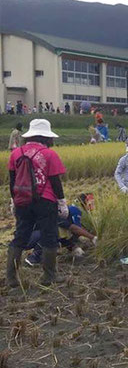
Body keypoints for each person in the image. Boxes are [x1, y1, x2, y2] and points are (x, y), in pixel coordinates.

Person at [6, 119, 68, 287]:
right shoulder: (50, 154)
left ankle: (11, 277)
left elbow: (12, 181)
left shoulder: (16, 153)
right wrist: (62, 203)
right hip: (45, 201)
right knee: (49, 237)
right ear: (45, 137)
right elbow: (55, 182)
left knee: (20, 236)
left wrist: (14, 201)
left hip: (22, 201)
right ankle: (49, 276)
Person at [25, 193, 98, 266]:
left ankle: (40, 257)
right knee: (52, 233)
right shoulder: (60, 215)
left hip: (31, 236)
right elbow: (74, 228)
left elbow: (65, 237)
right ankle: (33, 257)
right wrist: (92, 237)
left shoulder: (62, 214)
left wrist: (75, 248)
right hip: (29, 238)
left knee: (60, 235)